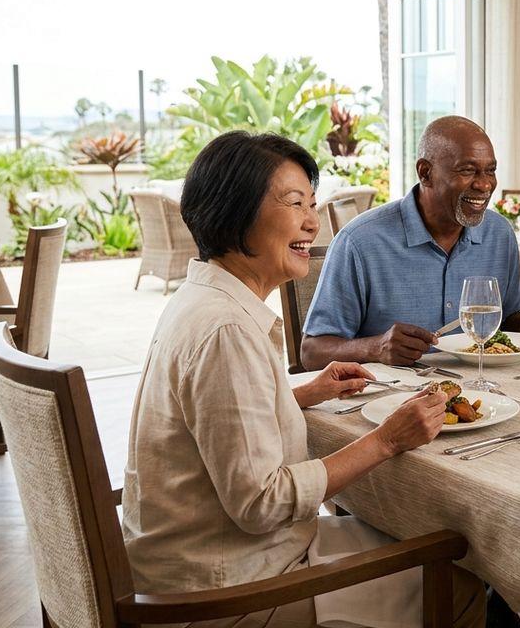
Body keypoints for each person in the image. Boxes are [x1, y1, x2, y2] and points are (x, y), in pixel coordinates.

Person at [121, 131, 484, 628]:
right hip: (225, 591)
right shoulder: (226, 329)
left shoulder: (203, 300)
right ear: (236, 211)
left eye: (312, 204)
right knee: (461, 578)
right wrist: (386, 440)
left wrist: (303, 393)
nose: (313, 222)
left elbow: (218, 424)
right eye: (295, 204)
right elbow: (260, 502)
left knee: (419, 539)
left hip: (199, 559)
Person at [301, 116, 520, 369]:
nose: (485, 184)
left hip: (489, 394)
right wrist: (375, 348)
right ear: (425, 172)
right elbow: (312, 353)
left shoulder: (499, 234)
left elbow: (508, 319)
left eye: (490, 170)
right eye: (467, 170)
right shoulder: (360, 242)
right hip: (392, 399)